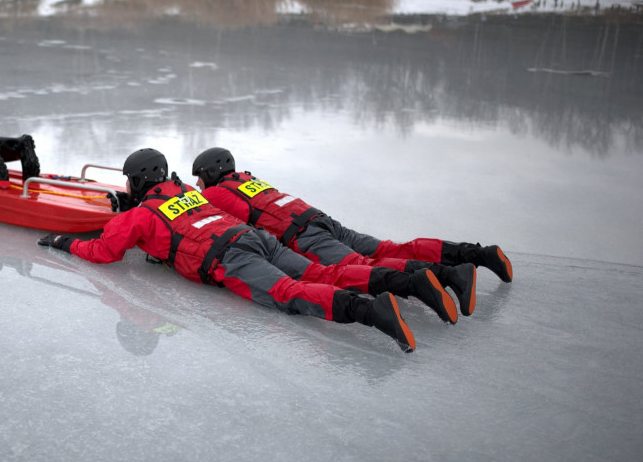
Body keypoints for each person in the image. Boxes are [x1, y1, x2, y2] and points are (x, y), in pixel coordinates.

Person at [37, 148, 462, 353]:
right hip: (257, 239)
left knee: (289, 293)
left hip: (231, 258)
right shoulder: (185, 190)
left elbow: (106, 251)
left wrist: (65, 242)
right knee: (321, 272)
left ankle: (373, 312)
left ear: (133, 184)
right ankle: (408, 281)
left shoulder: (139, 216)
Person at [190, 147, 514, 318]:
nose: (197, 186)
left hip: (306, 236)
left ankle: (449, 276)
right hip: (320, 219)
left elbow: (229, 222)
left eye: (199, 178)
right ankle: (477, 254)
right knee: (390, 248)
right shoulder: (247, 178)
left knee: (362, 268)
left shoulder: (217, 192)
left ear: (210, 173)